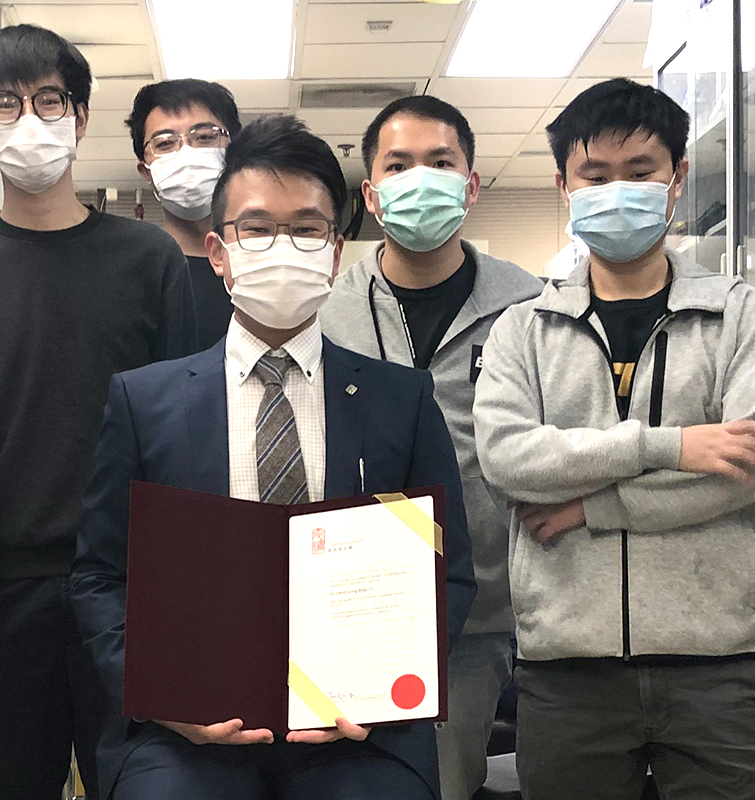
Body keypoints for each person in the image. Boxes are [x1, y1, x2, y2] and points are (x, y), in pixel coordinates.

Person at [73, 114, 477, 800]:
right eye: (257, 228)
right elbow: (99, 576)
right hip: (188, 731)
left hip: (359, 732)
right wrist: (156, 695)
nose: (282, 247)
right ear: (218, 251)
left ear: (335, 251)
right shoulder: (145, 401)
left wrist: (383, 694)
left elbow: (449, 573)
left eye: (308, 229)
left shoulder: (401, 400)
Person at [472, 78, 755, 800]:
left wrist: (593, 508)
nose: (617, 190)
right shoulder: (523, 329)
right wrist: (669, 447)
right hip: (567, 668)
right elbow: (509, 458)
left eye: (640, 171)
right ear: (564, 187)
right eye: (595, 175)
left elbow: (751, 466)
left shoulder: (737, 315)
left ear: (676, 178)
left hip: (716, 663)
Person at [0, 24, 197, 800]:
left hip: (131, 591)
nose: (29, 120)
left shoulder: (149, 261)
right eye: (5, 105)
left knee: (144, 786)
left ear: (81, 115)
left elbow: (183, 439)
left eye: (48, 100)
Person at [321, 95, 543, 800]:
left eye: (440, 163)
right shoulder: (327, 311)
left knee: (448, 783)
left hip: (488, 615)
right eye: (399, 165)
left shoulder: (530, 307)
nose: (420, 178)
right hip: (352, 613)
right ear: (371, 194)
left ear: (471, 185)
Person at [126, 78, 242, 349]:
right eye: (165, 143)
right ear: (146, 172)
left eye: (204, 137)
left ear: (234, 154)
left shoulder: (263, 264)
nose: (186, 154)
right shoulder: (130, 274)